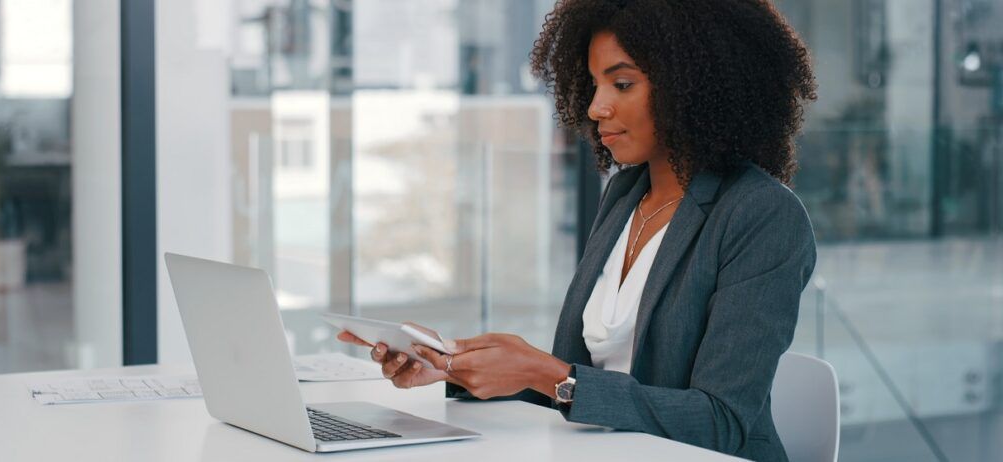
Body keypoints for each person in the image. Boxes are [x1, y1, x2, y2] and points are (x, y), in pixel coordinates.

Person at [339, 0, 818, 459]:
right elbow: (577, 388)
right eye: (592, 85)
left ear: (695, 84)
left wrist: (545, 372)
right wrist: (451, 366)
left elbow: (720, 422)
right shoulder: (626, 195)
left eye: (622, 84)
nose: (595, 107)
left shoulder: (761, 215)